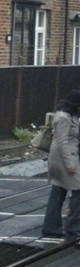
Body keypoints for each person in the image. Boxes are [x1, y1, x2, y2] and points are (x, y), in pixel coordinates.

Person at [41, 90, 80, 239]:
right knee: (77, 190)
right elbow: (62, 142)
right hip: (64, 159)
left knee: (58, 191)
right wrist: (70, 164)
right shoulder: (63, 118)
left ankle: (51, 227)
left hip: (65, 157)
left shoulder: (72, 116)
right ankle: (73, 226)